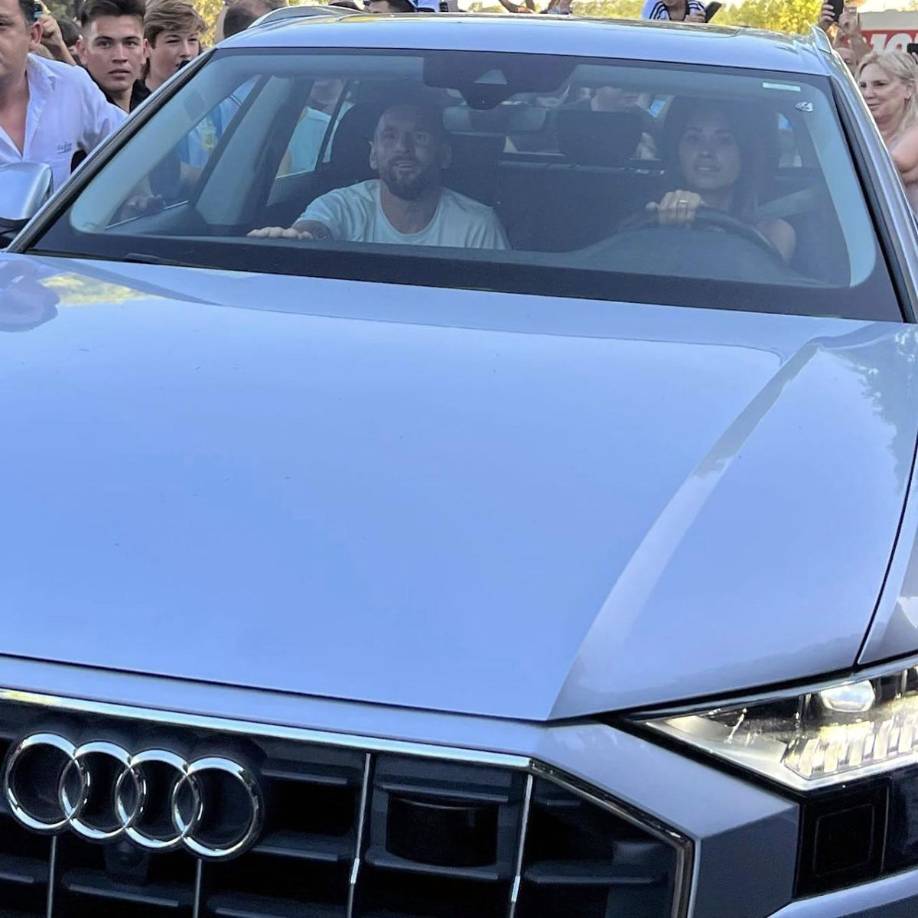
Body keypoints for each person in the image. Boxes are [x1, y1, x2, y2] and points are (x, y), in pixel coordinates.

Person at [249, 103, 508, 249]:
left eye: (419, 137)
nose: (403, 148)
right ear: (372, 155)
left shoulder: (477, 226)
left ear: (444, 155)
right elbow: (315, 230)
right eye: (390, 136)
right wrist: (295, 241)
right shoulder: (340, 207)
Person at [644, 98, 795, 262]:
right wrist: (665, 233)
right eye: (694, 138)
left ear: (745, 153)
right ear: (677, 151)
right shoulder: (647, 221)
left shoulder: (773, 232)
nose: (706, 151)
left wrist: (708, 225)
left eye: (724, 140)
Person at [0, 0, 124, 190]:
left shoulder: (70, 86)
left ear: (34, 35)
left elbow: (132, 148)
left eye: (1, 25)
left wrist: (131, 199)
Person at [858, 51, 918, 212]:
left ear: (908, 89)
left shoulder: (914, 132)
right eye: (862, 86)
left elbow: (891, 165)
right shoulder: (857, 133)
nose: (867, 94)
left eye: (880, 84)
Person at [78, 0, 148, 112]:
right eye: (105, 44)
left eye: (130, 43)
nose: (120, 57)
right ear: (82, 51)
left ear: (145, 51)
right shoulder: (69, 115)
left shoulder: (159, 107)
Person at [142, 0, 203, 93]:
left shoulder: (214, 95)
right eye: (173, 41)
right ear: (146, 47)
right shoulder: (125, 102)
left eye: (192, 40)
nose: (186, 52)